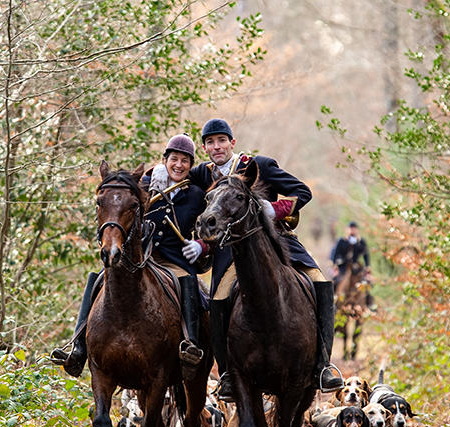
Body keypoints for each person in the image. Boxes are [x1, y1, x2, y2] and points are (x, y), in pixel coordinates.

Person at [189, 118, 344, 401]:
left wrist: (273, 210)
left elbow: (303, 192)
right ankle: (226, 374)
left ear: (232, 143)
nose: (216, 147)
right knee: (218, 301)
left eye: (221, 141)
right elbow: (174, 172)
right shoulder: (202, 174)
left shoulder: (259, 165)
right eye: (210, 143)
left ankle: (323, 364)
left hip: (276, 242)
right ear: (204, 148)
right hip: (231, 251)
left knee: (321, 283)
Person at [51, 134, 210, 380]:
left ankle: (190, 346)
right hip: (140, 257)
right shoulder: (148, 184)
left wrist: (200, 245)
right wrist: (149, 176)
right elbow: (124, 200)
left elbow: (209, 228)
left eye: (185, 161)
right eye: (173, 159)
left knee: (190, 284)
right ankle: (77, 346)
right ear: (164, 160)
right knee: (97, 279)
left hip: (174, 261)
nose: (179, 165)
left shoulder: (197, 194)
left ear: (191, 165)